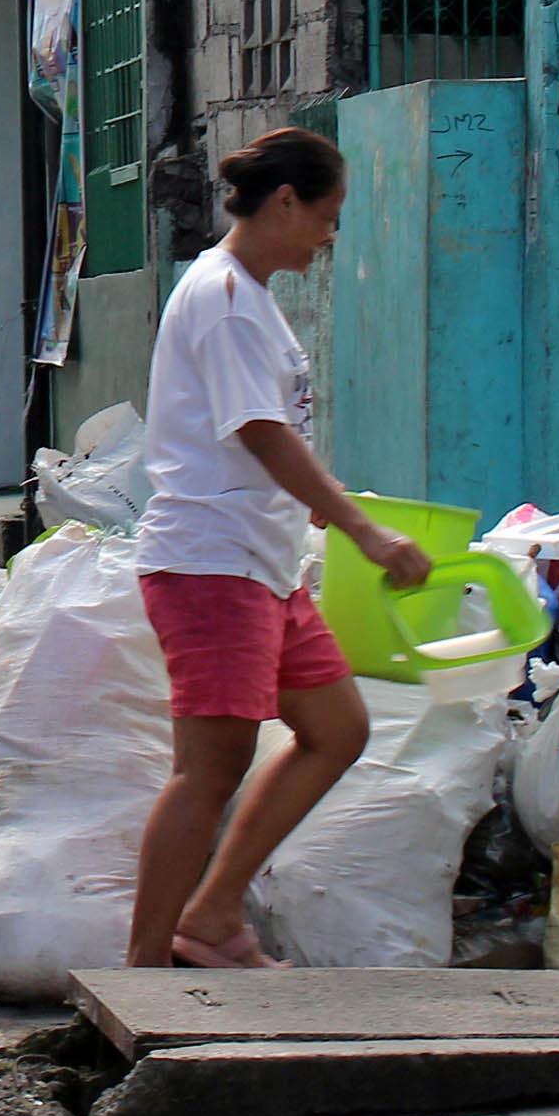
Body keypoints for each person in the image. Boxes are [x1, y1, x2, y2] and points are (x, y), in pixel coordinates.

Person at [123, 127, 435, 972]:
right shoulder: (223, 298)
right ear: (286, 202)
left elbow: (273, 432)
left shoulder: (248, 296)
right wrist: (359, 527)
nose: (330, 237)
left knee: (338, 728)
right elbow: (258, 431)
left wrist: (326, 512)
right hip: (210, 564)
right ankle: (147, 967)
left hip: (260, 561)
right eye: (327, 218)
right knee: (210, 766)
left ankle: (215, 914)